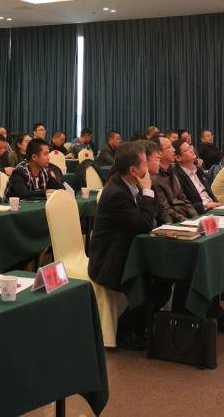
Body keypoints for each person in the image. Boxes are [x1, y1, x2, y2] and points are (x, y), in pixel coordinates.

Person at [88, 142, 158, 349]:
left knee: (162, 274)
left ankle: (141, 324)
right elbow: (144, 224)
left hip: (127, 250)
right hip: (110, 260)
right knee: (155, 278)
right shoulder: (117, 193)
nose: (148, 167)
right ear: (134, 170)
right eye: (144, 163)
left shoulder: (129, 185)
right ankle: (128, 329)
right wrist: (148, 190)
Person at [150, 136, 197, 224]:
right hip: (174, 222)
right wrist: (186, 222)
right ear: (159, 153)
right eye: (169, 147)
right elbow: (165, 209)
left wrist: (195, 217)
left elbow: (183, 198)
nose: (174, 150)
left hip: (185, 217)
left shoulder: (172, 170)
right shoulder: (154, 177)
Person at [173, 141, 220, 213]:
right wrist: (206, 205)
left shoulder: (198, 170)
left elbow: (209, 194)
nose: (192, 150)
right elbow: (183, 205)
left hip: (213, 207)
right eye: (187, 150)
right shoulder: (176, 176)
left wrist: (217, 203)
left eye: (190, 148)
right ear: (178, 158)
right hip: (199, 212)